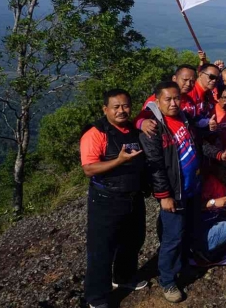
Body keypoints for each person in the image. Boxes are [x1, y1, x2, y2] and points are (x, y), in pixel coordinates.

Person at [139, 81, 226, 303]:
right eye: (168, 99)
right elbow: (155, 165)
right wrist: (164, 196)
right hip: (175, 193)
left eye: (177, 99)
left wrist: (220, 155)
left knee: (188, 231)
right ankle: (167, 281)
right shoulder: (154, 128)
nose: (174, 103)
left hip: (193, 188)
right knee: (172, 238)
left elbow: (199, 145)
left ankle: (183, 266)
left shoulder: (183, 119)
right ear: (157, 101)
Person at [80, 89, 147, 308]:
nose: (121, 110)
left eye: (125, 106)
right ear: (105, 109)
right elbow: (89, 169)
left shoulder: (132, 129)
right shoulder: (96, 133)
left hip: (133, 197)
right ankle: (96, 297)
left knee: (133, 240)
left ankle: (124, 277)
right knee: (102, 248)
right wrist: (118, 161)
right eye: (116, 107)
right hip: (106, 199)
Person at [136, 65, 197, 136]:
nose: (188, 84)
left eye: (192, 81)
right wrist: (142, 123)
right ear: (174, 78)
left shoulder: (189, 99)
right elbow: (138, 119)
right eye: (185, 80)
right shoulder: (157, 99)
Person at [187, 63, 220, 127]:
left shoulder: (209, 93)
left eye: (217, 79)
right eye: (211, 77)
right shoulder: (190, 92)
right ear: (200, 74)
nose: (214, 81)